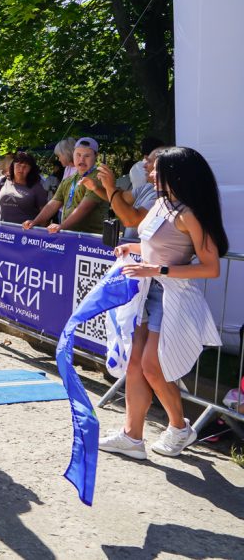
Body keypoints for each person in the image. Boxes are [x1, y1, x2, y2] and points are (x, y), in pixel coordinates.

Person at [99, 147, 227, 459]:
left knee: (151, 367)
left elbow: (211, 267)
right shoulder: (160, 203)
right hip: (145, 290)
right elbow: (152, 244)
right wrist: (131, 248)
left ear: (176, 174)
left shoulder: (189, 214)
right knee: (135, 364)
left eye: (158, 169)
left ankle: (179, 427)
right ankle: (132, 436)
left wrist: (158, 269)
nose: (152, 172)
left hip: (171, 296)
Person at [22, 137, 109, 234]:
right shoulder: (68, 180)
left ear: (96, 156)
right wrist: (35, 222)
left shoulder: (99, 177)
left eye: (87, 156)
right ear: (73, 154)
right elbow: (53, 204)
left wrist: (61, 226)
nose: (82, 159)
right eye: (78, 155)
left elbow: (85, 208)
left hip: (91, 239)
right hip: (70, 235)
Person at [82, 146, 168, 239]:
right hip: (134, 247)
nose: (144, 166)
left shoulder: (163, 195)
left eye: (150, 162)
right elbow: (120, 198)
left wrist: (110, 186)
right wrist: (95, 188)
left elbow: (130, 221)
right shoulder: (148, 187)